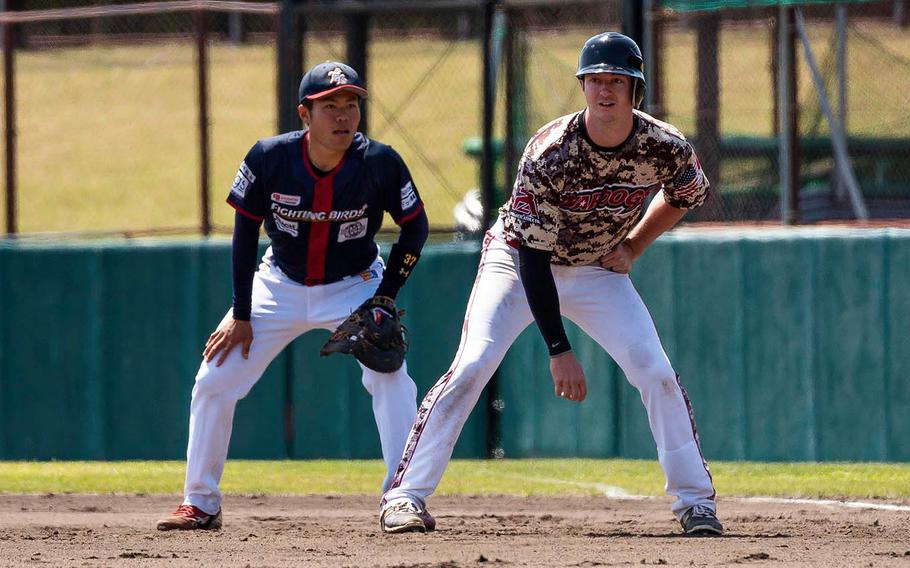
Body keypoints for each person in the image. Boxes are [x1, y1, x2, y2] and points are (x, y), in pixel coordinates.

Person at [378, 32, 722, 536]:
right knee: (474, 363)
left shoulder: (663, 145)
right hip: (518, 263)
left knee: (656, 372)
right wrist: (558, 348)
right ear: (582, 87)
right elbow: (534, 259)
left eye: (616, 81)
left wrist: (634, 245)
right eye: (595, 80)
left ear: (635, 90)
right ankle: (404, 497)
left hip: (594, 270)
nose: (605, 91)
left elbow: (688, 193)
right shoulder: (551, 151)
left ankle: (696, 503)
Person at [157, 61, 428, 531]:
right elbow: (243, 237)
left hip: (355, 284)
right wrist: (241, 313)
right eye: (330, 107)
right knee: (215, 378)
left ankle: (402, 498)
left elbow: (415, 227)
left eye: (351, 105)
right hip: (277, 284)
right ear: (305, 113)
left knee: (391, 377)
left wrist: (385, 297)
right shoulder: (268, 158)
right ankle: (200, 501)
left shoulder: (379, 162)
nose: (343, 116)